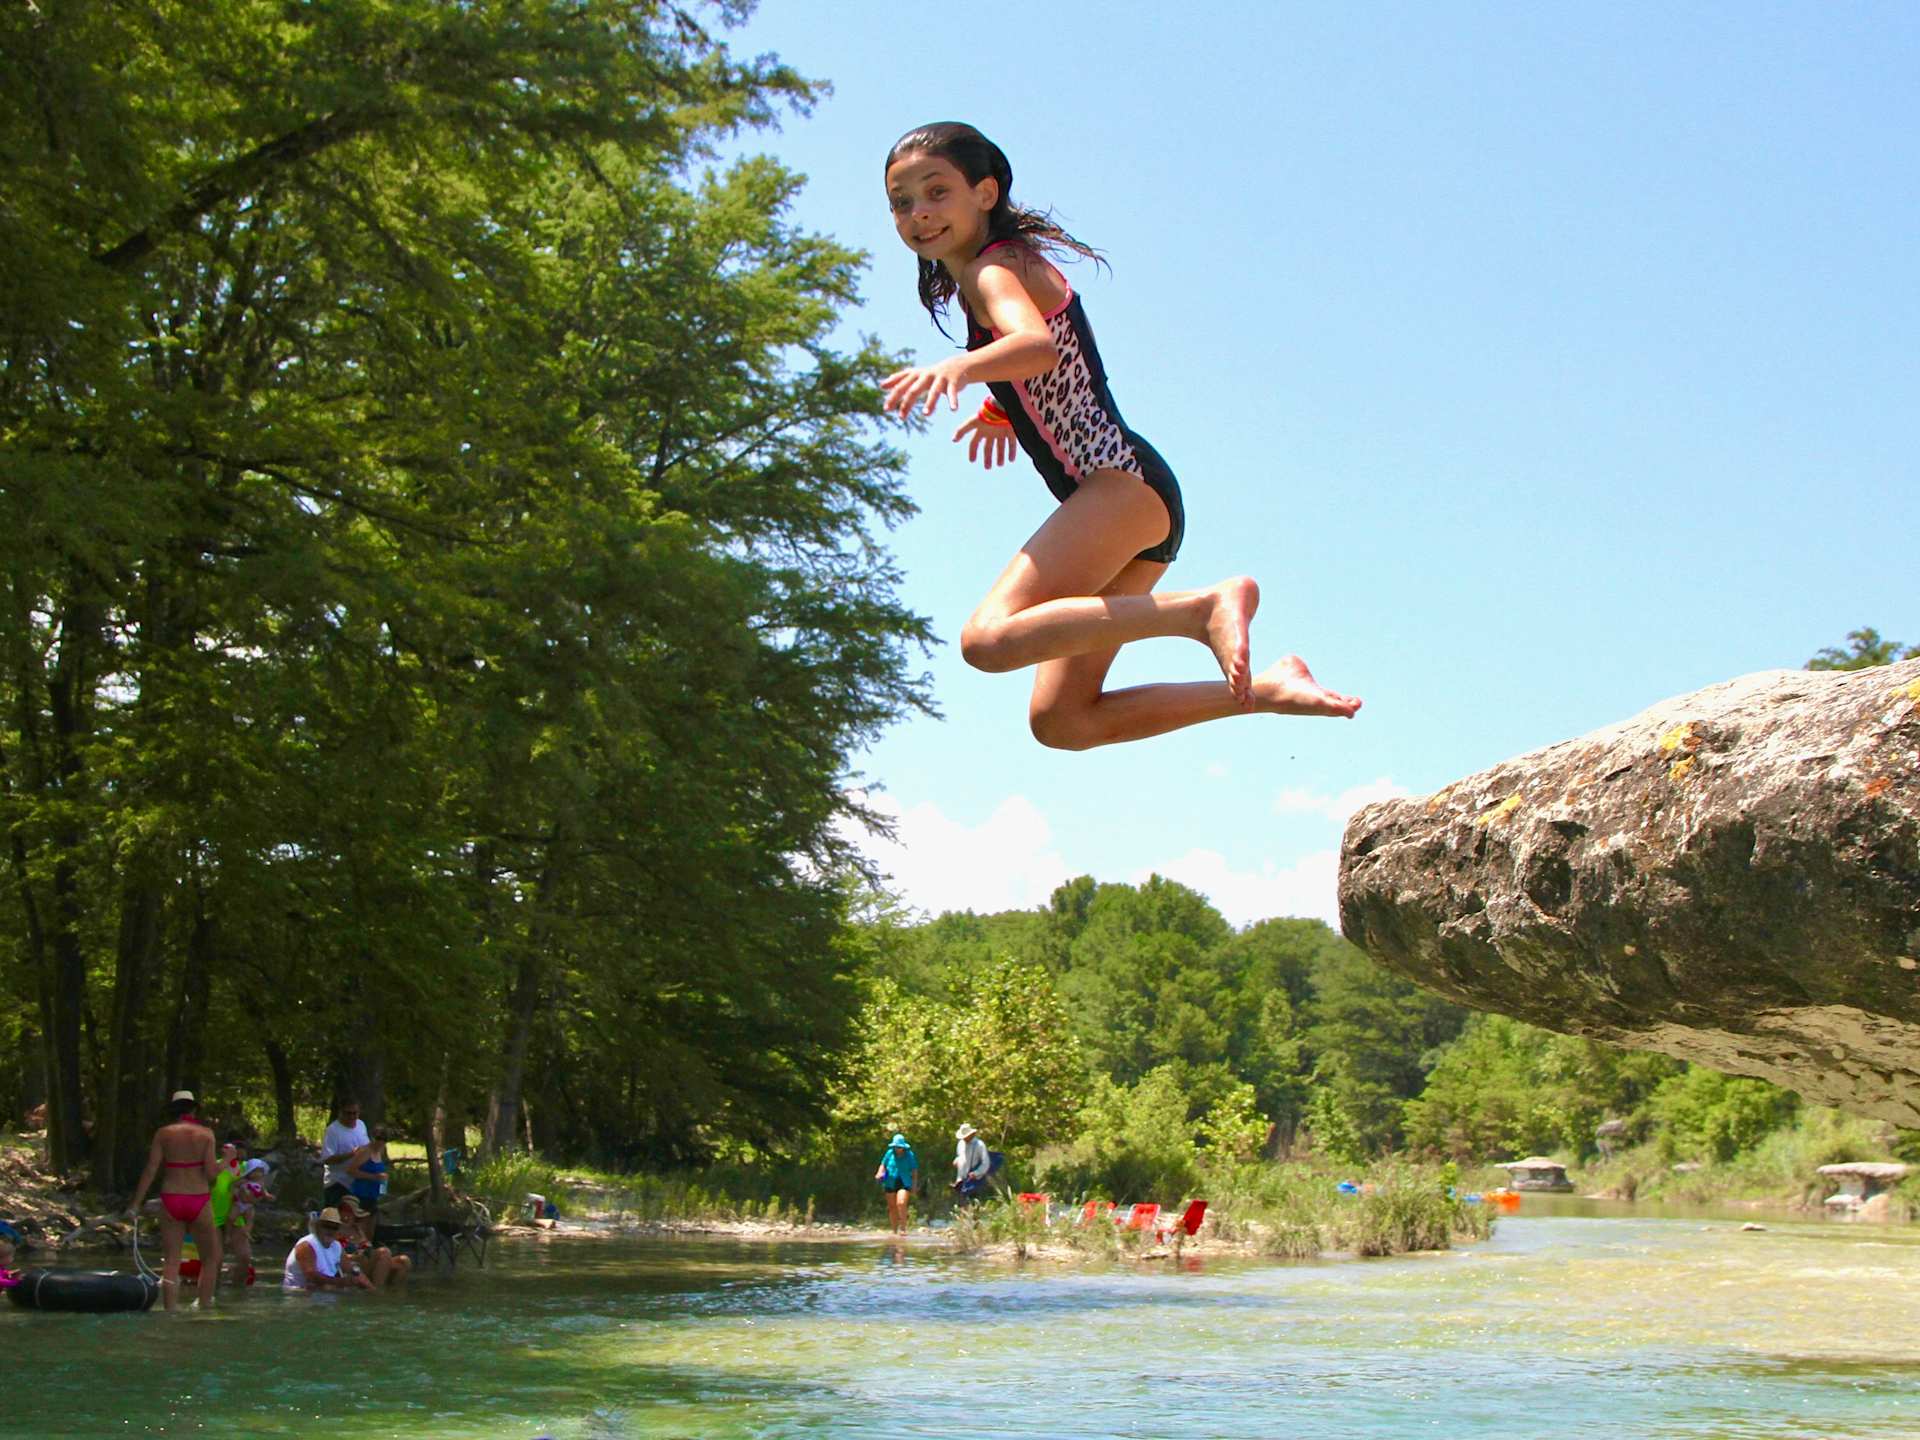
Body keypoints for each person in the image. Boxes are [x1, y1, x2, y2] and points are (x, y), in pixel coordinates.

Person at [880, 123, 1361, 752]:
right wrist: (1005, 410)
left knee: (988, 640)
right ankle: (1269, 689)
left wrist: (962, 369)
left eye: (936, 192)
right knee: (1064, 720)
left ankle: (1203, 609)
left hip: (1120, 483)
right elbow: (1061, 365)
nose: (918, 213)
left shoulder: (992, 272)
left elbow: (1037, 346)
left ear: (986, 193)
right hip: (1136, 500)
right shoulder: (1005, 265)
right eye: (900, 201)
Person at [125, 1090, 222, 1310]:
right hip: (199, 1198)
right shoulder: (206, 1134)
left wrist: (135, 1204)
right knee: (210, 1259)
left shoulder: (163, 1133)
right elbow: (211, 1175)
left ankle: (170, 1311)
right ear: (194, 1109)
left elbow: (151, 1169)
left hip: (171, 1197)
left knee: (171, 1261)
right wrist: (226, 1162)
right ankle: (204, 1307)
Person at [333, 1196, 410, 1291]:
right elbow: (338, 1257)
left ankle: (394, 1293)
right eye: (344, 1209)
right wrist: (355, 1256)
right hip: (352, 1266)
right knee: (384, 1252)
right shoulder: (335, 1231)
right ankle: (376, 1292)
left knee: (403, 1261)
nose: (347, 1214)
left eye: (350, 1211)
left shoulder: (357, 1230)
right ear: (339, 1212)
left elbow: (368, 1247)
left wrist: (365, 1251)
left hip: (367, 1262)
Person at [282, 1207, 368, 1293]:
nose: (330, 1230)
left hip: (322, 1293)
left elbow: (351, 1268)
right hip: (299, 1295)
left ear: (339, 1230)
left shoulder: (336, 1246)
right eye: (327, 1226)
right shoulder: (307, 1245)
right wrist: (342, 1282)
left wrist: (372, 1291)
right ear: (318, 1227)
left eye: (334, 1227)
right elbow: (312, 1276)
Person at [320, 1098, 369, 1211]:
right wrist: (351, 1154)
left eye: (355, 1113)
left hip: (358, 1182)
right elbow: (327, 1159)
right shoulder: (333, 1131)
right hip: (338, 1183)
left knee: (356, 1219)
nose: (352, 1117)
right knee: (336, 1221)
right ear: (340, 1112)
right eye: (348, 1113)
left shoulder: (361, 1125)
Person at [873, 1133, 919, 1235]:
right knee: (892, 1206)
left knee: (901, 1203)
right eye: (896, 1147)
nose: (897, 1149)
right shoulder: (889, 1153)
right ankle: (894, 1230)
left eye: (899, 1147)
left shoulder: (909, 1155)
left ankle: (903, 1229)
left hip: (904, 1182)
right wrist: (879, 1173)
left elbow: (914, 1170)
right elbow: (883, 1165)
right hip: (890, 1181)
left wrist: (914, 1185)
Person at [952, 1123, 992, 1203]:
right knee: (961, 1205)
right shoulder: (960, 1144)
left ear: (971, 1134)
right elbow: (961, 1156)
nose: (964, 1138)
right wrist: (956, 1161)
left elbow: (986, 1163)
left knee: (973, 1204)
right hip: (961, 1181)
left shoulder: (979, 1145)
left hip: (974, 1181)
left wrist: (976, 1173)